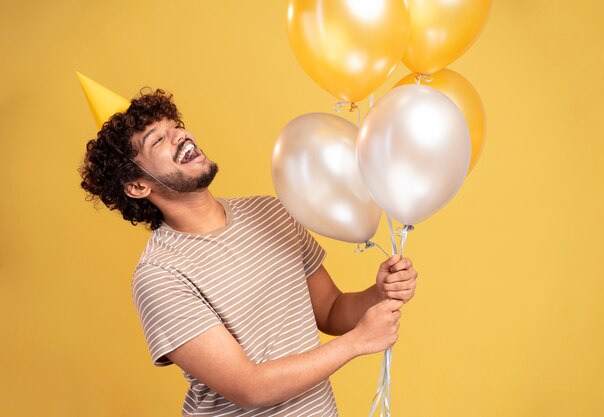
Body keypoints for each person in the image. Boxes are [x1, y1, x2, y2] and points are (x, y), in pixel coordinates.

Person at [79, 88, 417, 417]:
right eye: (157, 139)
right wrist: (358, 342)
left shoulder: (269, 212)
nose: (179, 136)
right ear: (138, 186)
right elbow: (249, 388)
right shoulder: (160, 274)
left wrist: (378, 293)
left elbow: (330, 310)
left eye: (175, 126)